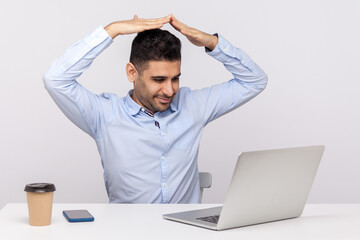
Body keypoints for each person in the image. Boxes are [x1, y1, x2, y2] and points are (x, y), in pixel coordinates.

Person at [43, 14, 268, 203]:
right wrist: (112, 30)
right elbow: (55, 79)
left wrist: (212, 42)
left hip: (186, 233)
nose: (170, 91)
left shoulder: (193, 106)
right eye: (159, 79)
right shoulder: (105, 115)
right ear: (132, 73)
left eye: (175, 78)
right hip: (128, 233)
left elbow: (254, 80)